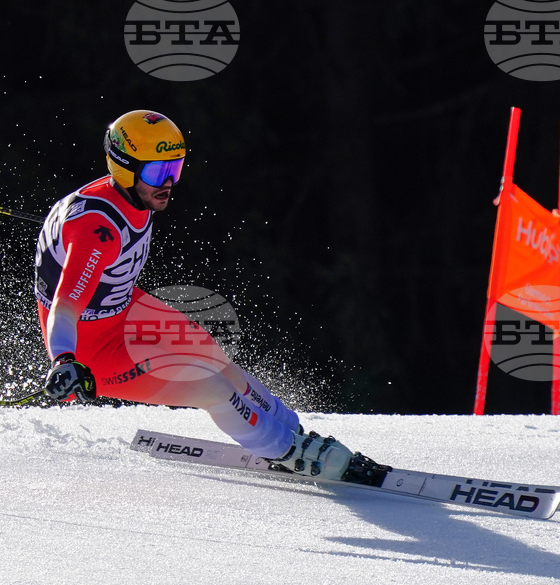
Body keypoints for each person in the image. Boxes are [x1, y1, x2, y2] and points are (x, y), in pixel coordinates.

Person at [34, 110, 388, 484]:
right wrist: (65, 360)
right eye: (157, 173)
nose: (168, 183)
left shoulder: (129, 197)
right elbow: (65, 304)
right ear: (123, 167)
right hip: (92, 348)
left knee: (212, 354)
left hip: (124, 306)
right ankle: (288, 452)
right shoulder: (96, 231)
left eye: (175, 169)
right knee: (208, 386)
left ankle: (290, 428)